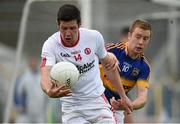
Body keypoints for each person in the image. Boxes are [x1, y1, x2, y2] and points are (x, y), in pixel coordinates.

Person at [40, 4, 132, 124]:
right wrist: (48, 90)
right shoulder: (51, 45)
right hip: (72, 108)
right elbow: (45, 74)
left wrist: (123, 96)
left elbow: (109, 67)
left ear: (79, 24)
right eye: (64, 28)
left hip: (97, 102)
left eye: (72, 28)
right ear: (58, 25)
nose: (68, 33)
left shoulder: (94, 37)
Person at [100, 19, 152, 123]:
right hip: (96, 100)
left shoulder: (144, 67)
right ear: (129, 36)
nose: (141, 42)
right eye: (138, 37)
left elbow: (142, 98)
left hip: (117, 108)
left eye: (145, 38)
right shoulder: (111, 50)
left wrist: (127, 105)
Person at [15, 56, 49, 123]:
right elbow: (18, 92)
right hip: (26, 113)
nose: (34, 64)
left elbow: (45, 95)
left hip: (40, 113)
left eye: (35, 61)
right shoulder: (23, 77)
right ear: (29, 63)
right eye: (32, 62)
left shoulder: (42, 77)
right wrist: (19, 105)